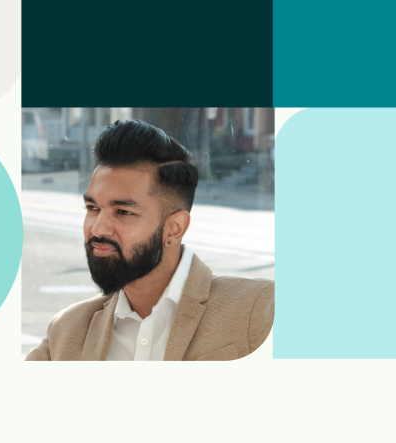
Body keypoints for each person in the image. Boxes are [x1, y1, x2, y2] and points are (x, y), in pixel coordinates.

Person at [26, 120, 272, 361]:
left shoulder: (262, 309)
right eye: (92, 207)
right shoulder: (66, 331)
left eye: (124, 212)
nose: (97, 228)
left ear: (174, 229)